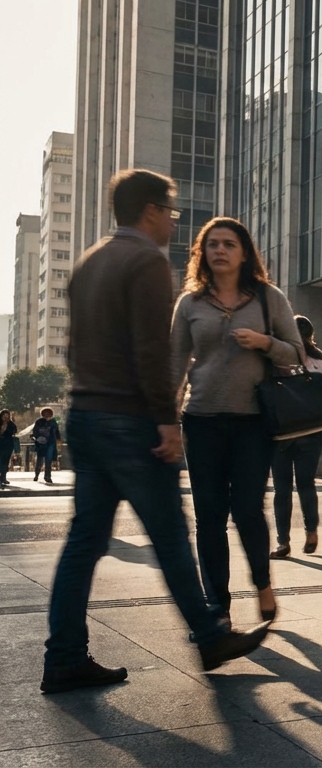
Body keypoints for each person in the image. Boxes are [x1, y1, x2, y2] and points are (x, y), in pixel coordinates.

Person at [44, 169, 267, 694]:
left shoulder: (89, 260)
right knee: (170, 534)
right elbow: (152, 352)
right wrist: (166, 422)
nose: (173, 221)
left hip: (86, 415)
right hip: (130, 420)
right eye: (170, 211)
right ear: (149, 210)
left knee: (83, 542)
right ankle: (211, 635)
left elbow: (74, 351)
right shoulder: (145, 260)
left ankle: (65, 657)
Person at [172, 216, 305, 626]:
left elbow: (298, 354)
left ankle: (263, 584)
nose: (220, 250)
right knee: (209, 516)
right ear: (202, 252)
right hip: (201, 420)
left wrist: (265, 342)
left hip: (252, 422)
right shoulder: (190, 303)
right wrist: (164, 419)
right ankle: (219, 607)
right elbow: (174, 364)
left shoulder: (267, 298)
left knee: (247, 509)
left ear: (244, 252)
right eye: (212, 244)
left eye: (229, 244)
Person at [270, 315, 322, 559]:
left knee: (282, 489)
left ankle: (282, 543)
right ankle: (311, 531)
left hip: (281, 432)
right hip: (312, 430)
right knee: (306, 484)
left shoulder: (277, 355)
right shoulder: (320, 357)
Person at [32, 408, 61, 483]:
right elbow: (35, 431)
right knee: (40, 460)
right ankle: (37, 474)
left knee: (49, 460)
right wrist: (37, 439)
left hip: (51, 443)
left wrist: (58, 439)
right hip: (41, 443)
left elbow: (56, 431)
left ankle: (47, 476)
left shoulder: (53, 422)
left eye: (48, 413)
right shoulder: (39, 421)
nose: (47, 414)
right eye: (45, 413)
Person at [0, 410, 16, 487]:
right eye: (4, 417)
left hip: (8, 445)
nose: (5, 418)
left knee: (5, 462)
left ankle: (3, 477)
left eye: (7, 417)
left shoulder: (11, 425)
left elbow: (14, 431)